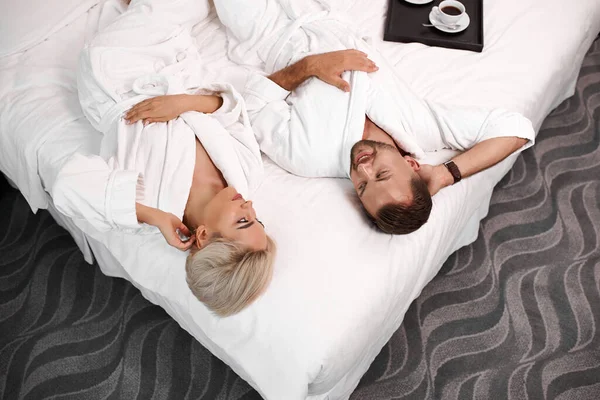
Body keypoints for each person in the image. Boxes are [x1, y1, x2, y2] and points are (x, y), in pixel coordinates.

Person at [133, 0, 535, 235]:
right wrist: (447, 174)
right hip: (315, 9)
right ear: (413, 164)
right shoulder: (423, 128)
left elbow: (249, 101)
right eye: (380, 174)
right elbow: (515, 128)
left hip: (267, 30)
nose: (361, 169)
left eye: (361, 187)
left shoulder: (309, 157)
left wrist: (307, 67)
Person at [51, 0, 275, 316]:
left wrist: (150, 215)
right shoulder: (247, 176)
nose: (249, 207)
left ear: (203, 235)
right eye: (257, 218)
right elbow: (232, 110)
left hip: (117, 75)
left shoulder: (150, 202)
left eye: (243, 221)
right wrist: (184, 103)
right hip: (178, 68)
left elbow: (67, 183)